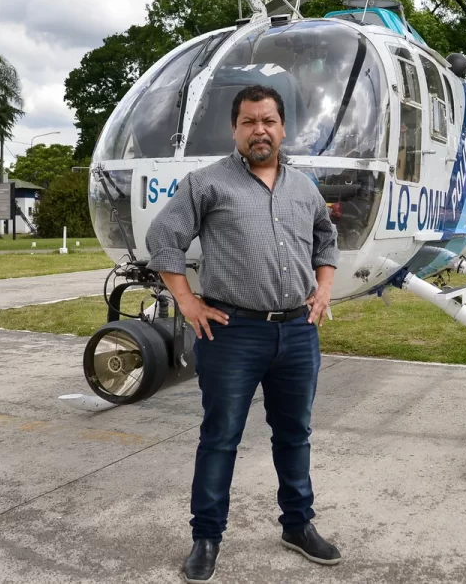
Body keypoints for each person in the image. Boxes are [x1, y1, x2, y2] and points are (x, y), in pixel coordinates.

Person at [145, 84, 341, 583]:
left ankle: (297, 525)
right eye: (250, 121)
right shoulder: (207, 184)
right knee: (220, 438)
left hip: (297, 332)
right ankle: (206, 537)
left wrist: (323, 289)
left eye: (269, 120)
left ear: (282, 127)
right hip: (232, 334)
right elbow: (163, 238)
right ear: (235, 129)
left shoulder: (303, 186)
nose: (260, 130)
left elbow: (326, 235)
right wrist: (187, 301)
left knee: (294, 434)